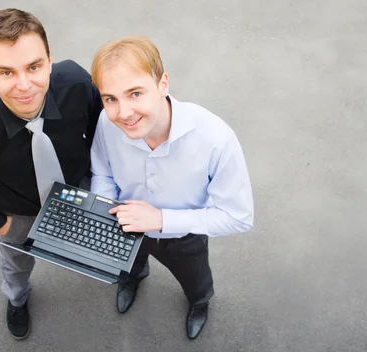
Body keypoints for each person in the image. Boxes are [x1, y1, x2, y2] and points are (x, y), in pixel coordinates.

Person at [0, 8, 102, 340]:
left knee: (101, 243)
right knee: (15, 266)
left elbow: (101, 131)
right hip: (17, 212)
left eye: (34, 67)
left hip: (79, 188)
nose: (24, 86)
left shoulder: (78, 84)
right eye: (6, 72)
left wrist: (100, 182)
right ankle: (17, 299)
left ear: (50, 59)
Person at [89, 36, 254, 340]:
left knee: (196, 282)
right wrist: (104, 205)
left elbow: (238, 216)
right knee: (130, 267)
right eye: (110, 98)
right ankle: (133, 278)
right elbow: (102, 168)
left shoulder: (216, 140)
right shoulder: (106, 122)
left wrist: (163, 220)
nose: (123, 112)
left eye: (135, 93)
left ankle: (199, 303)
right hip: (123, 224)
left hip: (183, 237)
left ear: (163, 83)